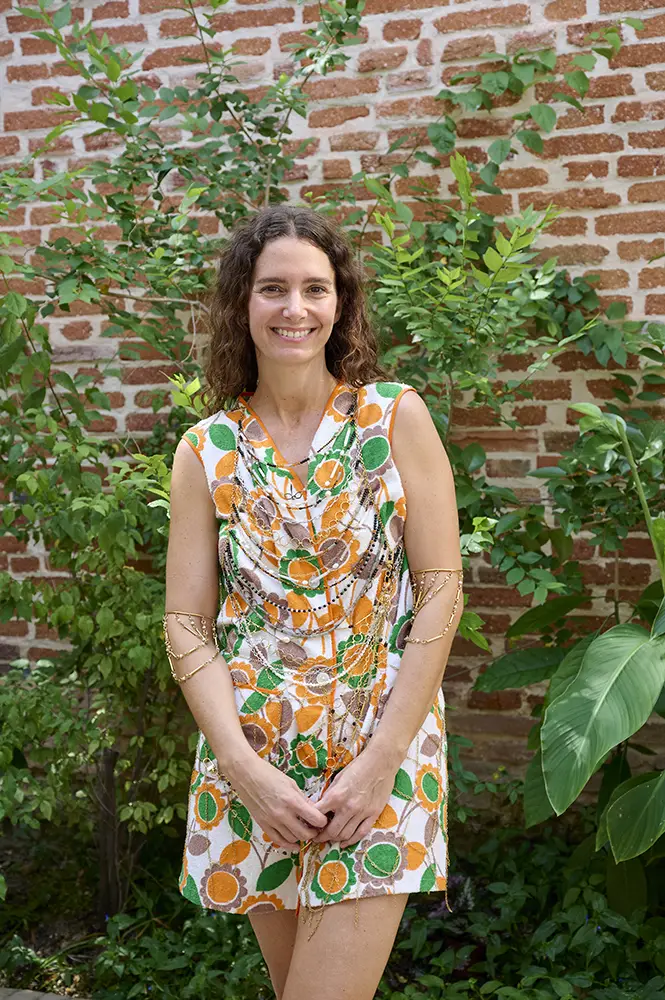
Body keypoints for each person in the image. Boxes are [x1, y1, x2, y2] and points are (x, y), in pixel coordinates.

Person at [163, 204, 463, 1000]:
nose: (293, 308)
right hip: (259, 766)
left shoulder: (393, 417)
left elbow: (440, 591)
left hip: (379, 757)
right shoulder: (205, 451)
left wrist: (382, 760)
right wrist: (242, 769)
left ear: (340, 303)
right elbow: (186, 623)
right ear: (242, 303)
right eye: (272, 288)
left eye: (313, 288)